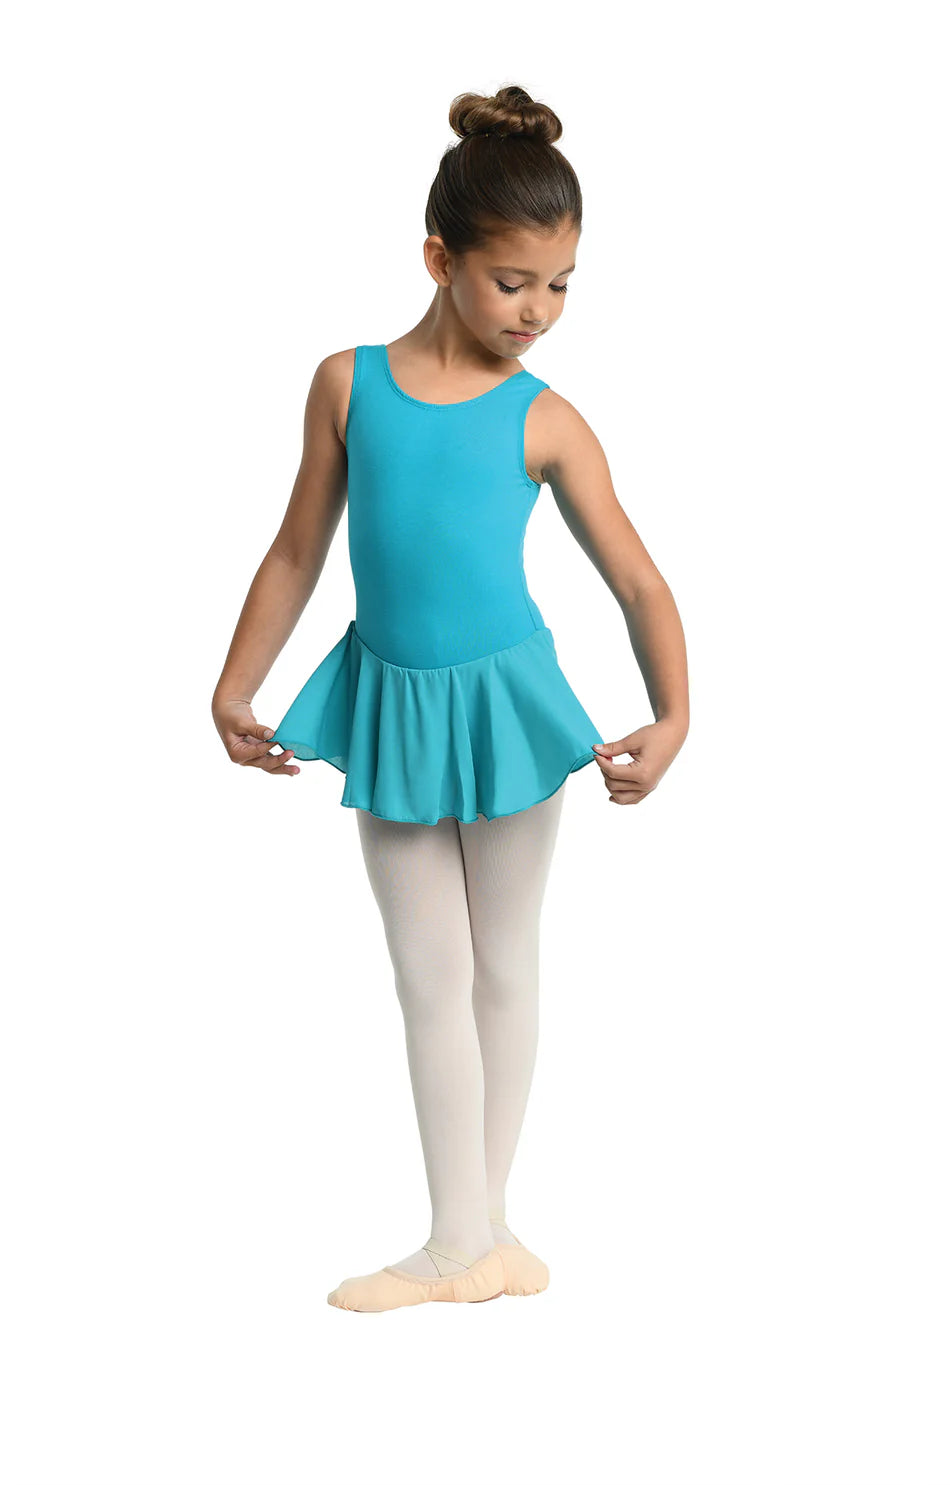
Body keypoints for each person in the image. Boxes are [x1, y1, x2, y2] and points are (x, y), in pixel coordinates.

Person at [211, 84, 690, 1313]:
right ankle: (464, 1239)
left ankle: (476, 1237)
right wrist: (236, 683)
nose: (539, 312)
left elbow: (639, 581)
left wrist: (674, 715)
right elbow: (296, 550)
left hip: (508, 709)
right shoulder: (347, 383)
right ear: (441, 260)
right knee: (428, 976)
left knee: (504, 966)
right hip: (392, 702)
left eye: (563, 285)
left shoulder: (548, 420)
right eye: (514, 282)